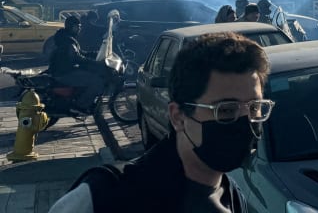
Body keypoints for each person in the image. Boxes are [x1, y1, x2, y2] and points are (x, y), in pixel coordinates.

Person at [49, 32, 271, 212]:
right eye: (225, 110)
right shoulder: (104, 196)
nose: (245, 122)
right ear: (178, 116)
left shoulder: (232, 197)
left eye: (254, 107)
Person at [48, 15, 109, 113]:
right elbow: (78, 58)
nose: (79, 29)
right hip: (65, 73)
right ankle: (80, 106)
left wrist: (95, 53)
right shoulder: (67, 41)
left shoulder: (67, 37)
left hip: (65, 70)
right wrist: (95, 63)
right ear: (71, 27)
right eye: (78, 27)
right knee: (96, 81)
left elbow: (79, 53)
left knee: (89, 75)